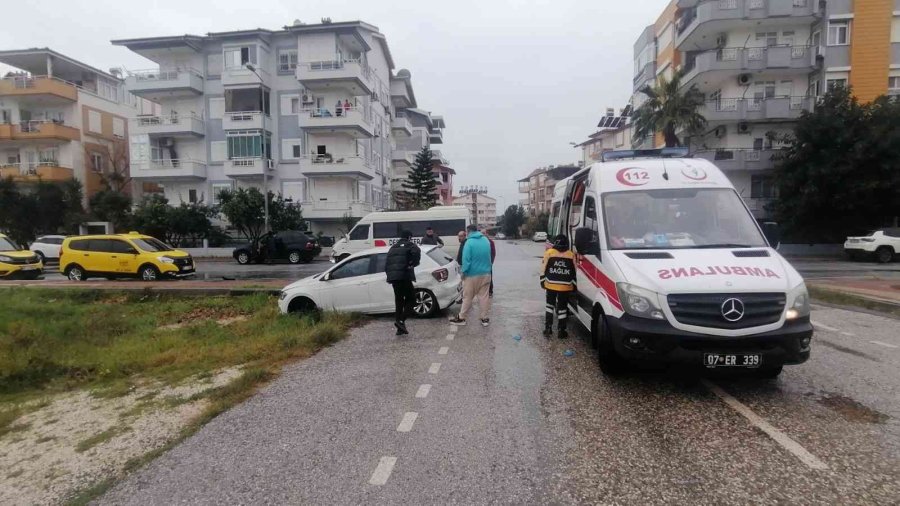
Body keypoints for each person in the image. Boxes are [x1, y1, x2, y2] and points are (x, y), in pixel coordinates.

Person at [449, 225, 493, 327]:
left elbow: (466, 261)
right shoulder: (486, 241)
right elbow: (489, 257)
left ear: (468, 231)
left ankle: (462, 318)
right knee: (484, 297)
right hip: (486, 273)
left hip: (472, 275)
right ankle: (484, 318)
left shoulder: (469, 242)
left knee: (467, 297)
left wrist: (463, 274)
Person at [540, 234, 577, 339]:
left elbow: (543, 268)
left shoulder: (549, 253)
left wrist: (542, 281)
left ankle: (548, 328)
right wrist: (574, 286)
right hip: (565, 287)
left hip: (550, 284)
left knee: (549, 306)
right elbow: (574, 272)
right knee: (562, 308)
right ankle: (562, 330)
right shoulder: (571, 255)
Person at [385, 229, 421, 335]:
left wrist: (390, 276)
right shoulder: (410, 245)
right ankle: (401, 321)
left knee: (399, 301)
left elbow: (387, 263)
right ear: (409, 237)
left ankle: (400, 329)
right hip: (404, 276)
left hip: (393, 278)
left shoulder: (392, 247)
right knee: (412, 299)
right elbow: (417, 251)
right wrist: (412, 263)